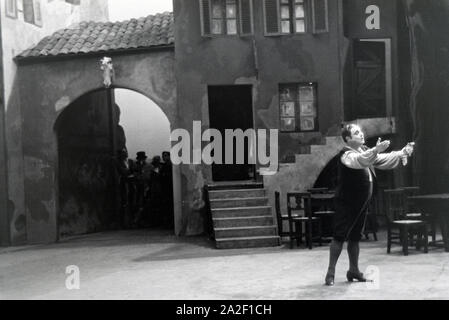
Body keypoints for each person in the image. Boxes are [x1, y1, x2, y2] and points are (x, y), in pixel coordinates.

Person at [324, 124, 415, 286]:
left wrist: (401, 153)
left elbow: (381, 160)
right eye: (356, 133)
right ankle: (330, 273)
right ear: (348, 139)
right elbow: (359, 161)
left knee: (355, 237)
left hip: (361, 203)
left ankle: (353, 270)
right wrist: (375, 150)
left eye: (360, 131)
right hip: (346, 202)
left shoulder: (363, 151)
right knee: (339, 236)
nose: (361, 134)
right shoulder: (346, 155)